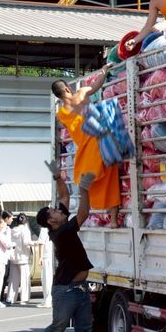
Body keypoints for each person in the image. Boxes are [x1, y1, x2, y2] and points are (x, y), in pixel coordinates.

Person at [19, 169, 98, 332]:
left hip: (80, 288)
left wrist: (57, 178)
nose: (59, 210)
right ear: (51, 222)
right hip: (67, 290)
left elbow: (64, 197)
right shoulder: (62, 232)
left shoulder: (60, 224)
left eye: (56, 210)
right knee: (57, 328)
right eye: (54, 211)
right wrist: (83, 189)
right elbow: (84, 212)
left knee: (83, 331)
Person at [51, 74, 121, 227]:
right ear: (68, 89)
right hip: (103, 142)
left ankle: (108, 216)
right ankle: (114, 220)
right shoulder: (81, 94)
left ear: (58, 96)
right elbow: (97, 84)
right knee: (111, 181)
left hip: (87, 153)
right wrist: (104, 70)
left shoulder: (61, 114)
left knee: (93, 185)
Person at [6, 213, 33, 305]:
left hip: (14, 258)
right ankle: (23, 299)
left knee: (13, 279)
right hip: (24, 258)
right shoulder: (25, 230)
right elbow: (26, 242)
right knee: (24, 280)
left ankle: (10, 298)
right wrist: (36, 243)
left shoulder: (13, 230)